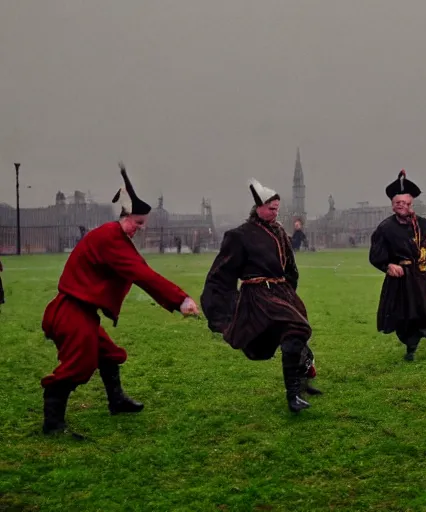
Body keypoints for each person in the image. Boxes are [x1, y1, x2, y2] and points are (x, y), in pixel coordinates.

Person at [39, 164, 200, 438]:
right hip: (72, 312)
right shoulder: (110, 238)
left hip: (80, 311)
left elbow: (139, 267)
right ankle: (52, 424)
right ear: (126, 216)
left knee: (109, 354)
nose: (140, 228)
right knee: (78, 365)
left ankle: (116, 401)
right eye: (138, 223)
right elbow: (142, 274)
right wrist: (181, 300)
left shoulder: (114, 237)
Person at [201, 178, 321, 414]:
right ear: (258, 207)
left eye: (277, 208)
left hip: (282, 292)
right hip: (258, 295)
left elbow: (290, 268)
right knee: (296, 328)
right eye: (271, 208)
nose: (275, 213)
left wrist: (290, 291)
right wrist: (221, 305)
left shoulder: (280, 233)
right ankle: (293, 396)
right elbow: (221, 272)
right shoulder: (240, 235)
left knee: (295, 336)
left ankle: (302, 386)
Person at [369, 170, 426, 361]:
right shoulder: (385, 228)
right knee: (404, 316)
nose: (402, 206)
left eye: (406, 203)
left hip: (420, 276)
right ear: (393, 205)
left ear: (411, 204)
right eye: (398, 203)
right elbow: (375, 255)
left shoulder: (424, 225)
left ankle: (424, 339)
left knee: (422, 311)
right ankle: (415, 346)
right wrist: (388, 265)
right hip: (400, 280)